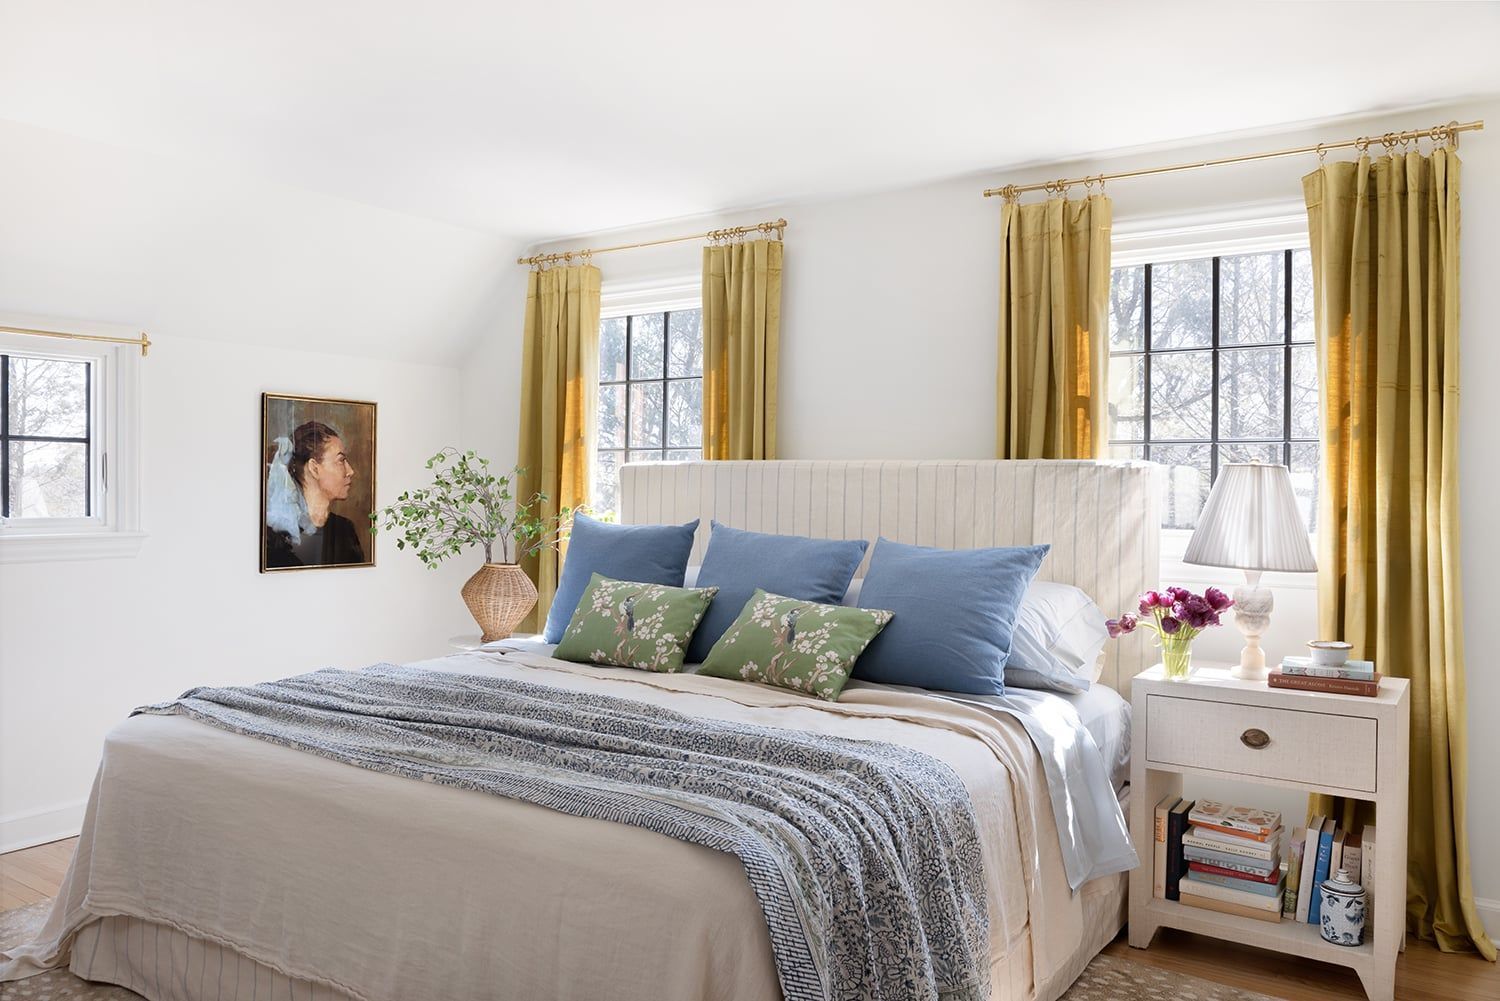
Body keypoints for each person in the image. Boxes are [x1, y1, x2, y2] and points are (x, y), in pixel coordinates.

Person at [264, 420, 366, 568]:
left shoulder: (344, 529)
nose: (350, 471)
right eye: (341, 460)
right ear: (314, 469)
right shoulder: (278, 534)